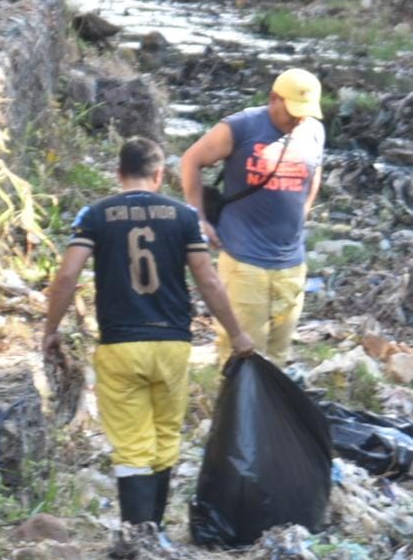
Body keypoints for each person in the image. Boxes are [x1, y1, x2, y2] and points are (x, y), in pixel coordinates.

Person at [43, 137, 255, 527]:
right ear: (159, 175)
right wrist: (237, 334)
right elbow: (208, 280)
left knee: (131, 444)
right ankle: (154, 532)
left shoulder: (95, 215)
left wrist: (51, 329)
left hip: (120, 345)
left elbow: (68, 275)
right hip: (172, 344)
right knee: (166, 435)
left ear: (118, 173)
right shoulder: (185, 217)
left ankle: (137, 534)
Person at [180, 68, 326, 364]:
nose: (298, 120)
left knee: (278, 355)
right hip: (244, 261)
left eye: (304, 113)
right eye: (292, 112)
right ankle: (233, 397)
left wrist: (302, 212)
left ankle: (269, 397)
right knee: (243, 355)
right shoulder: (241, 127)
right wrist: (199, 218)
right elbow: (191, 160)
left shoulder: (313, 130)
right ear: (273, 98)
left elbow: (315, 172)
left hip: (291, 263)